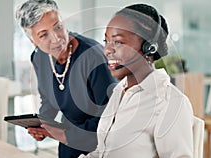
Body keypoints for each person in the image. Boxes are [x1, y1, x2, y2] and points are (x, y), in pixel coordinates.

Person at [79, 4, 194, 158]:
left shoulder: (170, 102)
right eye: (106, 41)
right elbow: (103, 151)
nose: (107, 50)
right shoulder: (119, 91)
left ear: (149, 48)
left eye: (118, 42)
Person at [15, 0, 117, 157]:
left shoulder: (93, 56)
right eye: (44, 35)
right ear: (33, 41)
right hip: (69, 142)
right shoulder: (39, 58)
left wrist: (60, 133)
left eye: (58, 27)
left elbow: (109, 119)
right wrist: (42, 126)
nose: (56, 39)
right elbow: (49, 101)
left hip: (100, 144)